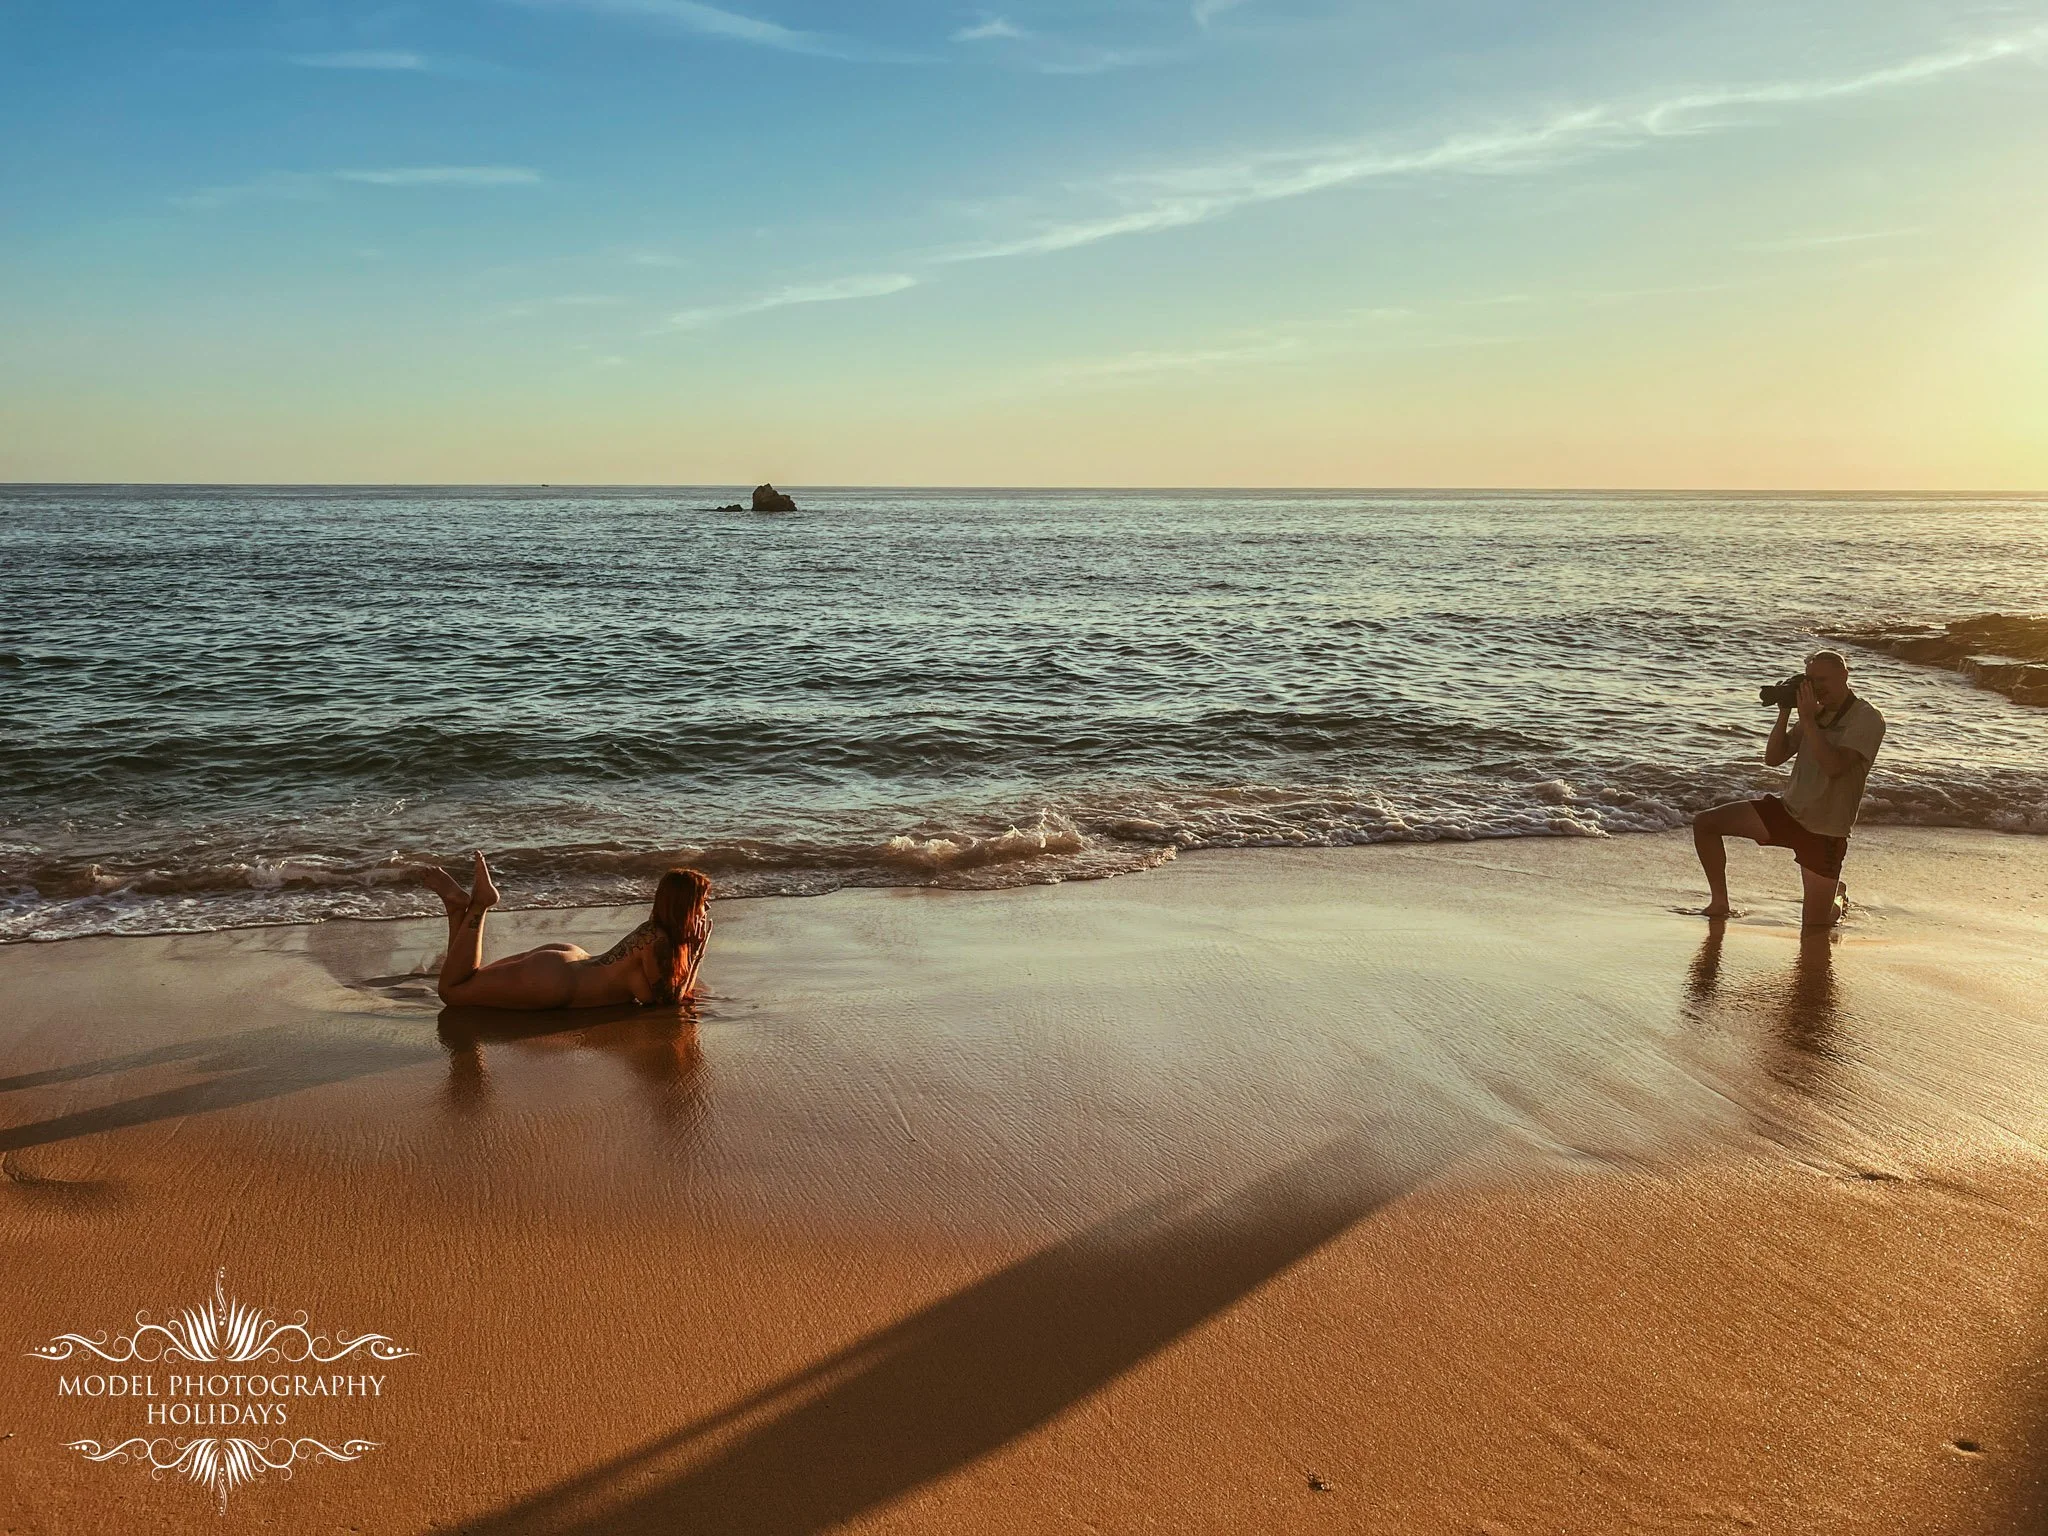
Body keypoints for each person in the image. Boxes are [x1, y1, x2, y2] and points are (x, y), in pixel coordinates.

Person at [1691, 649, 1885, 928]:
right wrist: (1785, 711)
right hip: (1788, 811)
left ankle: (1837, 898)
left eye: (1823, 680)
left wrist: (1807, 719)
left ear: (1844, 675)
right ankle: (1720, 902)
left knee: (1817, 925)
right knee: (1706, 823)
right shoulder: (1813, 715)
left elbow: (1834, 766)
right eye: (1811, 680)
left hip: (1825, 831)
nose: (1817, 688)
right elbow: (1773, 758)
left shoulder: (1866, 717)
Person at [420, 852, 713, 1009]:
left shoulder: (652, 931)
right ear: (685, 906)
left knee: (465, 980)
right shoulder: (660, 943)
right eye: (703, 902)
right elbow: (669, 1005)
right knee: (451, 993)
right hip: (555, 983)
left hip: (567, 962)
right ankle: (479, 907)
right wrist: (699, 950)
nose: (707, 910)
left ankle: (457, 908)